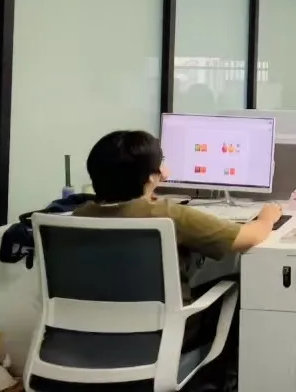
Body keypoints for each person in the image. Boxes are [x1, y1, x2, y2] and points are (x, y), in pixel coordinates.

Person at [73, 130, 280, 349]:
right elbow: (247, 237)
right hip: (162, 336)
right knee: (241, 284)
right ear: (151, 176)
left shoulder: (78, 216)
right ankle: (219, 372)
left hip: (86, 335)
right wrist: (267, 218)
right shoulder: (166, 214)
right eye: (160, 163)